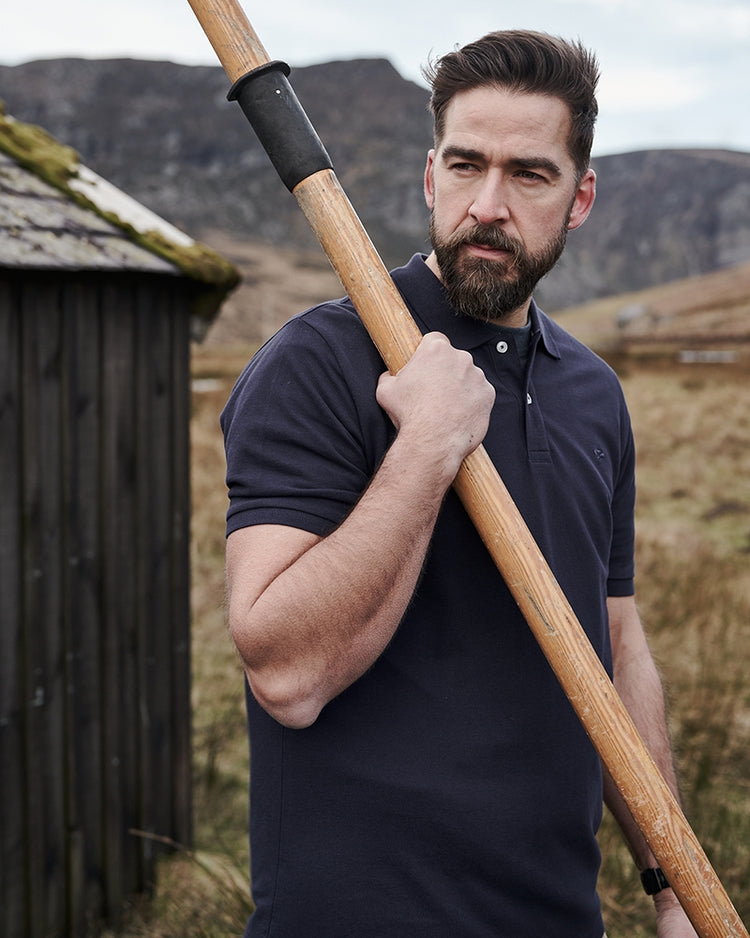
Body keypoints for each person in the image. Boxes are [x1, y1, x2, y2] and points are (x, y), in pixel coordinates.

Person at [221, 29, 698, 938]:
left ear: (580, 196)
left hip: (556, 915)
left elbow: (616, 644)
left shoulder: (592, 392)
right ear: (430, 174)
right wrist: (426, 449)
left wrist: (672, 885)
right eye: (466, 164)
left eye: (530, 174)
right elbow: (284, 672)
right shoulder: (319, 363)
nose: (489, 204)